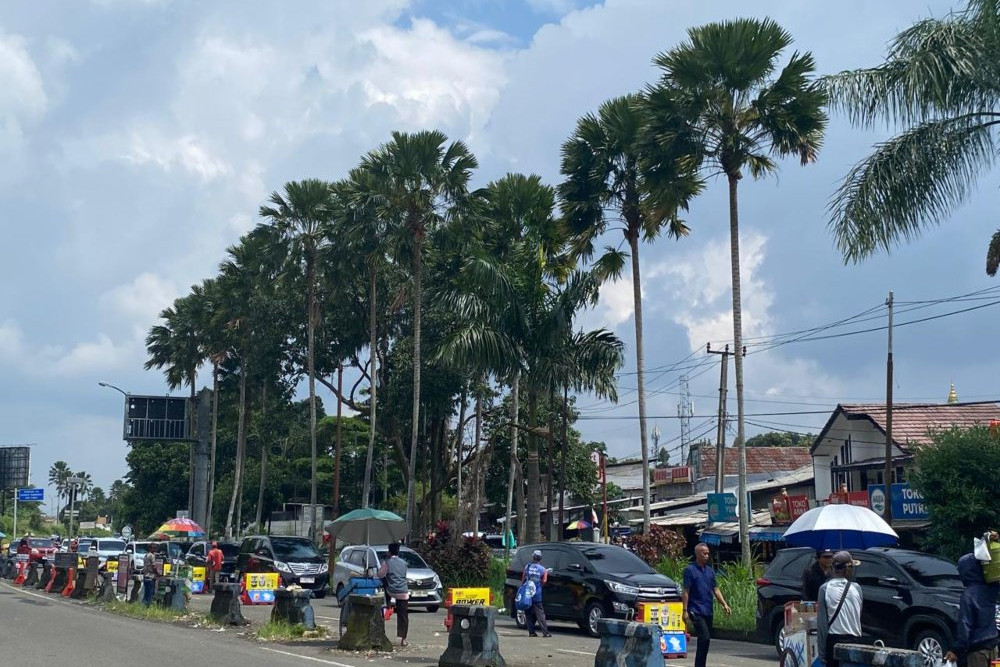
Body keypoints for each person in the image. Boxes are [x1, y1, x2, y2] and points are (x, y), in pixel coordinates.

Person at [945, 553, 1000, 667]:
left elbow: (965, 625)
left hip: (977, 651)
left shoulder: (968, 596)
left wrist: (956, 650)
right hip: (994, 647)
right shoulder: (991, 590)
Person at [683, 543, 732, 667]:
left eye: (708, 553)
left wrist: (724, 604)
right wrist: (685, 610)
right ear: (697, 554)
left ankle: (700, 664)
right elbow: (686, 591)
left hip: (707, 609)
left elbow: (715, 589)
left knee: (705, 640)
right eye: (704, 553)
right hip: (695, 609)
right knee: (704, 637)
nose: (707, 555)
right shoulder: (690, 570)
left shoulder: (710, 571)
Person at [817, 551, 864, 667]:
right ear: (848, 569)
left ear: (833, 568)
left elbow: (822, 625)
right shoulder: (857, 588)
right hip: (855, 641)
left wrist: (822, 653)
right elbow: (858, 615)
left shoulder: (824, 589)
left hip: (834, 641)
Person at [379, 542, 409, 647]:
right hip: (403, 592)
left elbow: (380, 574)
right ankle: (402, 638)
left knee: (384, 582)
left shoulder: (386, 562)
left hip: (391, 591)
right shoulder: (404, 563)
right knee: (403, 616)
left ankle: (387, 605)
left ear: (389, 551)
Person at [522, 549, 551, 638]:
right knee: (540, 614)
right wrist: (539, 584)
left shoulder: (527, 566)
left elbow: (523, 579)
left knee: (528, 613)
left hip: (528, 594)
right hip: (537, 594)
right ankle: (545, 633)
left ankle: (531, 632)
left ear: (533, 557)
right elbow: (544, 581)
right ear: (540, 559)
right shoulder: (543, 569)